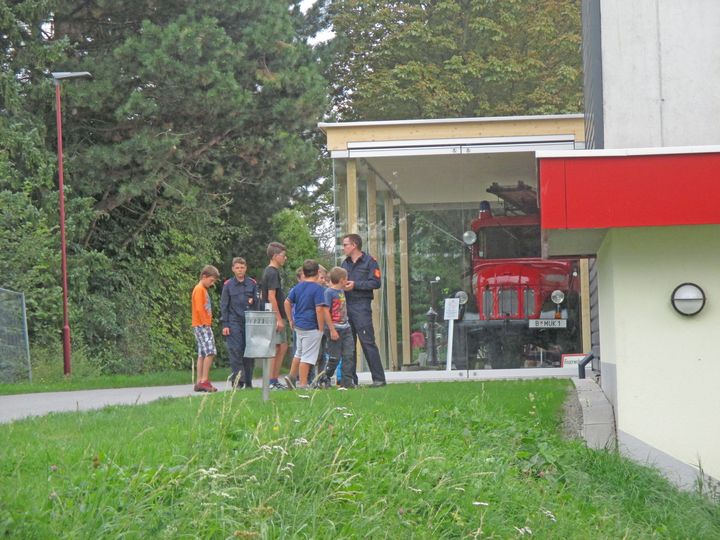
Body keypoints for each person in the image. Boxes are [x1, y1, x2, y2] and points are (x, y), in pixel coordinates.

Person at [341, 233, 386, 387]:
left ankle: (379, 379)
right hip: (346, 306)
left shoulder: (370, 262)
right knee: (349, 345)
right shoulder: (344, 264)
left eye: (345, 245)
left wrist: (355, 285)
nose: (343, 248)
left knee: (367, 342)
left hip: (361, 306)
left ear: (354, 245)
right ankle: (350, 381)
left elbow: (376, 283)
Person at [283, 260, 327, 389]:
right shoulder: (318, 289)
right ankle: (303, 384)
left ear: (304, 272)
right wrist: (320, 327)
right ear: (317, 272)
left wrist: (290, 320)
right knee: (307, 357)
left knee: (299, 353)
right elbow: (319, 309)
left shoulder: (298, 287)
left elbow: (287, 302)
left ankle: (291, 377)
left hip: (299, 325)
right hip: (311, 326)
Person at [220, 257, 258, 389]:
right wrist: (225, 324)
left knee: (249, 351)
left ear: (246, 268)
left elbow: (257, 304)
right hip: (233, 321)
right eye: (237, 268)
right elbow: (224, 305)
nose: (240, 270)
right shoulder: (228, 285)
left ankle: (248, 381)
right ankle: (238, 381)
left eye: (242, 267)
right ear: (233, 269)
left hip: (249, 322)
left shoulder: (252, 283)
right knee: (236, 351)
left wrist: (254, 302)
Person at [315, 266, 355, 389]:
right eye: (346, 278)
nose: (347, 280)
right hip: (334, 329)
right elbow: (325, 311)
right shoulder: (329, 292)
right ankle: (325, 377)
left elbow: (345, 287)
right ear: (342, 280)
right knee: (335, 358)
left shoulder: (341, 290)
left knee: (348, 355)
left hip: (346, 327)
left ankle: (347, 382)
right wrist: (332, 329)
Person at [261, 242, 289, 390]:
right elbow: (271, 296)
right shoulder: (272, 272)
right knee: (278, 347)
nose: (285, 258)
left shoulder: (270, 271)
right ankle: (272, 381)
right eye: (283, 255)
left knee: (281, 346)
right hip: (274, 316)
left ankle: (273, 380)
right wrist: (278, 319)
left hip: (272, 314)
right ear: (275, 256)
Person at [191, 264, 220, 392]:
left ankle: (199, 382)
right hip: (202, 325)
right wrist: (206, 324)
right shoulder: (199, 289)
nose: (212, 283)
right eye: (211, 280)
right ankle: (204, 380)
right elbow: (199, 308)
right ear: (204, 276)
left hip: (199, 325)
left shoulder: (202, 289)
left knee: (202, 353)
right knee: (210, 352)